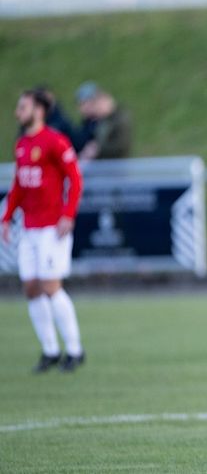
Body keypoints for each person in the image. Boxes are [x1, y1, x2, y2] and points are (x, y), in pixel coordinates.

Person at [2, 90, 84, 373]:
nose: (17, 112)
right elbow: (19, 185)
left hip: (52, 227)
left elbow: (75, 178)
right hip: (29, 228)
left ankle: (75, 349)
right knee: (30, 288)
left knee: (51, 286)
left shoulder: (55, 141)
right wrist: (7, 217)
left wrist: (68, 214)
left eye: (23, 107)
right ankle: (50, 350)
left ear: (39, 111)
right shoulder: (22, 144)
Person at [74, 82, 132, 160]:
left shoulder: (119, 118)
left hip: (115, 164)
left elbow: (121, 146)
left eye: (93, 103)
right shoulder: (94, 121)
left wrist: (96, 150)